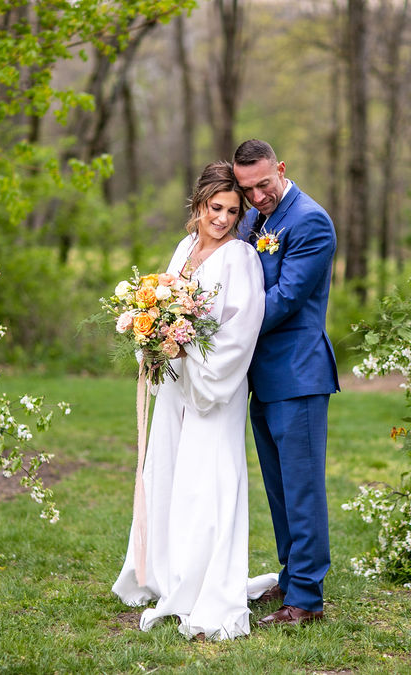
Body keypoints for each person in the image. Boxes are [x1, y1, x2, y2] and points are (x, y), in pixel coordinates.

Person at [112, 161, 278, 640]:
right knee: (166, 475)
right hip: (175, 386)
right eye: (214, 208)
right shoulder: (185, 248)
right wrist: (155, 337)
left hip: (211, 390)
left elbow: (240, 331)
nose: (223, 219)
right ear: (198, 205)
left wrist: (191, 358)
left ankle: (206, 586)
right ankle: (167, 574)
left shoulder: (241, 258)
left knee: (207, 485)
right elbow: (164, 304)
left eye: (231, 210)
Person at [232, 140, 340, 627]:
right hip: (259, 375)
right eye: (246, 188)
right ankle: (290, 576)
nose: (256, 196)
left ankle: (308, 600)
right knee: (278, 489)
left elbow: (286, 297)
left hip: (297, 375)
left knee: (302, 489)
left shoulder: (310, 221)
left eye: (263, 184)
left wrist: (217, 326)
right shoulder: (256, 220)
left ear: (281, 168)